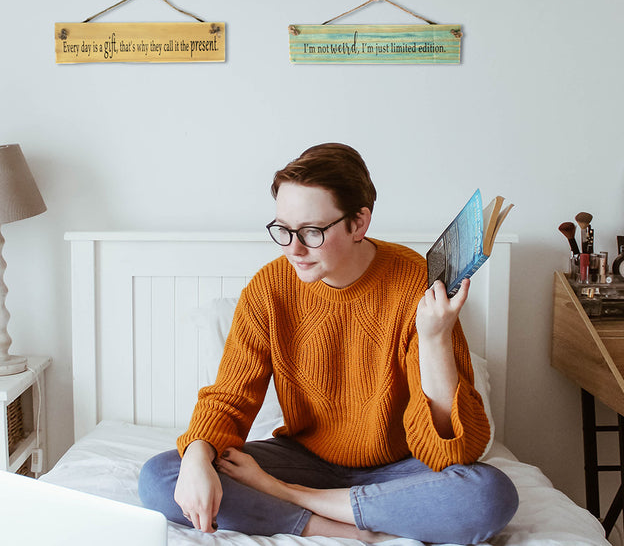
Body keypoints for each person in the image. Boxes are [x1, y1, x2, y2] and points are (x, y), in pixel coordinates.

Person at [139, 143, 518, 543]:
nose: (293, 249)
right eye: (283, 230)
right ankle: (340, 524)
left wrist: (435, 337)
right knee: (161, 476)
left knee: (488, 495)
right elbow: (230, 398)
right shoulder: (269, 289)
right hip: (305, 457)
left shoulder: (414, 284)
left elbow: (452, 452)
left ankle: (297, 499)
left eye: (312, 232)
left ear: (359, 223)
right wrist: (199, 454)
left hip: (401, 467)